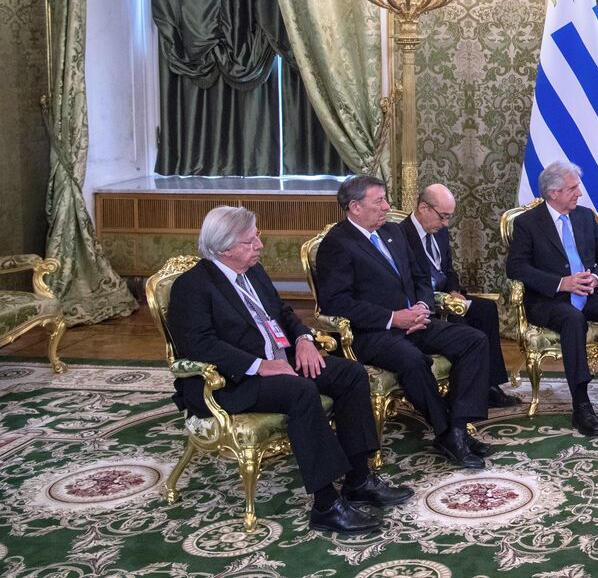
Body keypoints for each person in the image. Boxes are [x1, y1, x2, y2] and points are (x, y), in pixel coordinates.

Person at [166, 206, 410, 535]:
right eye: (251, 241)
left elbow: (282, 312)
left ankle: (358, 479)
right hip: (232, 381)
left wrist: (305, 340)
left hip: (282, 358)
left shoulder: (252, 271)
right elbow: (200, 345)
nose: (260, 246)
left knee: (350, 374)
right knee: (301, 392)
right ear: (226, 249)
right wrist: (260, 366)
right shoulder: (191, 286)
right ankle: (326, 504)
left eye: (258, 238)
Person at [315, 175, 491, 469]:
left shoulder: (393, 233)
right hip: (373, 333)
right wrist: (393, 318)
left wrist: (422, 306)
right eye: (379, 201)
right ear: (355, 207)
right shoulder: (338, 244)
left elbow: (421, 276)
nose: (387, 206)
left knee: (474, 340)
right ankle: (444, 430)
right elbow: (336, 302)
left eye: (385, 199)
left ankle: (458, 428)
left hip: (415, 321)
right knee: (413, 360)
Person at [505, 161, 598, 436]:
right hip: (550, 301)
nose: (579, 193)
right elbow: (517, 268)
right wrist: (562, 283)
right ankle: (581, 404)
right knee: (573, 320)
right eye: (573, 188)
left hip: (588, 293)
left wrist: (595, 278)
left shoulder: (584, 217)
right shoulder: (527, 224)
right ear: (553, 193)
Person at [399, 183, 520, 408]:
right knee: (462, 324)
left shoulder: (439, 231)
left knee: (486, 309)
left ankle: (491, 385)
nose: (446, 223)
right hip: (424, 302)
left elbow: (448, 269)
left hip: (447, 296)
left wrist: (454, 291)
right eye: (443, 216)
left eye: (448, 218)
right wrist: (438, 302)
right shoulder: (400, 234)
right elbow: (408, 280)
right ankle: (461, 392)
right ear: (424, 208)